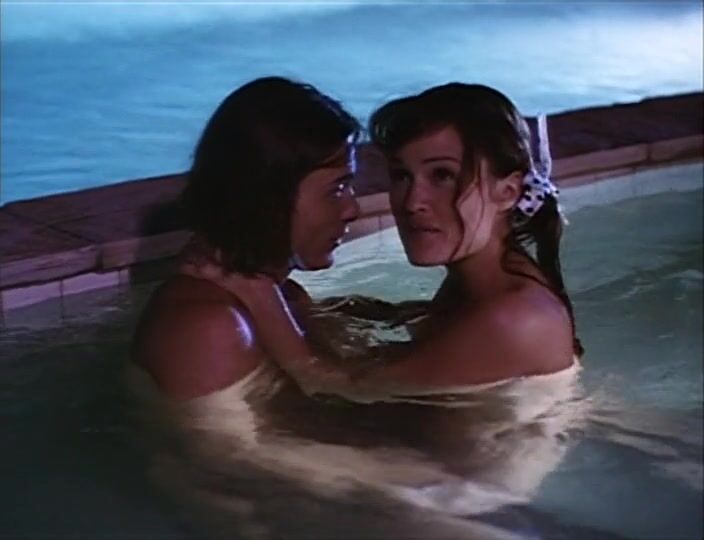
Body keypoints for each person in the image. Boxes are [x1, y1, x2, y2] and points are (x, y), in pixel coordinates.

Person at [186, 83, 583, 399]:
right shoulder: (481, 284)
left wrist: (259, 293)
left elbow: (333, 386)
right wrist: (312, 309)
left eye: (442, 176)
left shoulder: (515, 319)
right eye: (401, 175)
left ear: (507, 192)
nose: (412, 202)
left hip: (469, 481)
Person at [130, 76, 361, 400]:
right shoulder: (210, 329)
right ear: (267, 199)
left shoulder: (283, 297)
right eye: (337, 189)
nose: (352, 209)